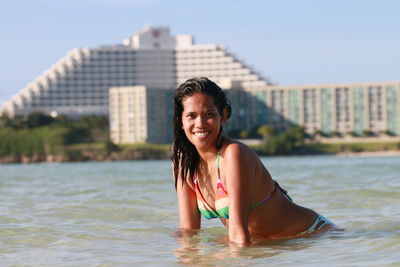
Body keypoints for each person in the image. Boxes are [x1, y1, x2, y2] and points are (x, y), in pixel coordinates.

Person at [172, 77, 335, 245]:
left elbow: (238, 232)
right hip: (264, 242)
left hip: (311, 236)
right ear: (181, 121)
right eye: (191, 116)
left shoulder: (234, 154)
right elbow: (188, 231)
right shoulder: (183, 163)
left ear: (224, 115)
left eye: (209, 114)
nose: (200, 123)